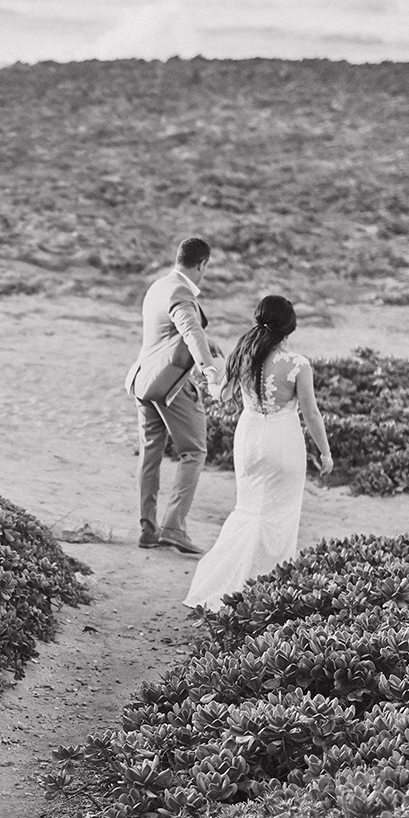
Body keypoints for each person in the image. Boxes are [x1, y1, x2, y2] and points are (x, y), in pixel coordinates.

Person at [184, 295, 332, 608]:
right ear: (288, 329)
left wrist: (209, 375)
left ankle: (225, 581)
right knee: (280, 516)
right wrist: (326, 452)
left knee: (248, 510)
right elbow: (312, 413)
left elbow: (222, 395)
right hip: (283, 438)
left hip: (249, 436)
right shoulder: (297, 365)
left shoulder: (244, 354)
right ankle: (266, 589)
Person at [126, 236, 223, 554]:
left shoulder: (159, 286)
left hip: (143, 381)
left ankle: (148, 528)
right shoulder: (182, 293)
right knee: (194, 451)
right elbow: (190, 330)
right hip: (170, 386)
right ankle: (174, 527)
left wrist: (206, 344)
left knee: (150, 453)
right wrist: (209, 370)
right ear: (203, 264)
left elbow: (171, 331)